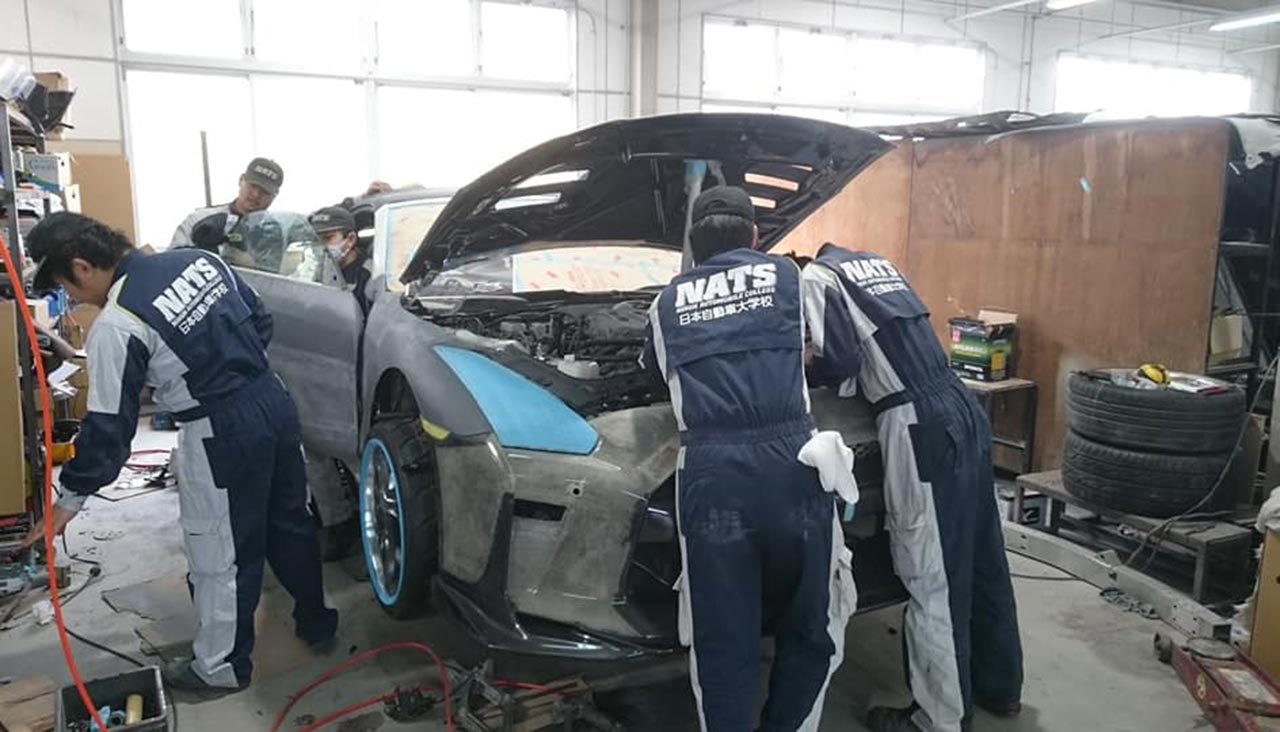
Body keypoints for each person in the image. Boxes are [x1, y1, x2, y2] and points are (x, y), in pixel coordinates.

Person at [21, 212, 338, 693]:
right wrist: (231, 368)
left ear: (82, 266)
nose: (75, 299)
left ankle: (220, 667)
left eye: (67, 287)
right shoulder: (199, 260)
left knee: (222, 554)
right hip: (272, 399)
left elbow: (109, 429)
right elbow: (259, 319)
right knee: (291, 519)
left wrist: (69, 499)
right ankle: (317, 621)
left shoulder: (119, 322)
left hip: (219, 430)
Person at [641, 186, 858, 732]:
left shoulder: (663, 305)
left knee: (721, 638)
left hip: (712, 478)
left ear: (694, 244)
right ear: (756, 237)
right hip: (797, 466)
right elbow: (838, 354)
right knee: (812, 622)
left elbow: (653, 371)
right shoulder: (791, 278)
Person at [800, 242, 1023, 732]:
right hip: (960, 406)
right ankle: (1000, 686)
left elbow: (839, 363)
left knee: (932, 575)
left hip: (916, 422)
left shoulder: (815, 277)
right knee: (983, 557)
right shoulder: (874, 264)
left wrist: (803, 357)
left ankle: (937, 720)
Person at [169, 157, 284, 252]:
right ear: (241, 180)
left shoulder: (272, 234)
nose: (255, 195)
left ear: (275, 195)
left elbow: (274, 270)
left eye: (264, 191)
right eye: (253, 186)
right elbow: (173, 261)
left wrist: (248, 263)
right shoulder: (199, 219)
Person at [309, 206, 373, 315]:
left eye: (327, 238)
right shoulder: (318, 269)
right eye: (315, 240)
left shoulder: (369, 275)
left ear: (350, 239)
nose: (320, 246)